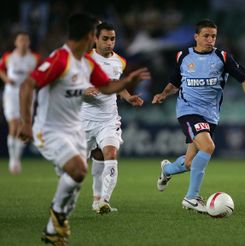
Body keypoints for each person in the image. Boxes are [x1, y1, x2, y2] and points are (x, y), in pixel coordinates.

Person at [18, 13, 150, 246]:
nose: (109, 42)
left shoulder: (87, 63)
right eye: (100, 35)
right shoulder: (61, 59)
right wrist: (26, 122)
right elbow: (28, 85)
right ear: (91, 36)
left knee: (77, 175)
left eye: (112, 38)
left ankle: (57, 225)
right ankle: (58, 219)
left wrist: (127, 84)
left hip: (80, 127)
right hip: (51, 128)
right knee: (75, 172)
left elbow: (108, 87)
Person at [152, 19, 245, 214]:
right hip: (188, 111)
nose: (210, 39)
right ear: (196, 37)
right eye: (206, 36)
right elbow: (174, 83)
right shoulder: (183, 56)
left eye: (213, 36)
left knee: (189, 163)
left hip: (210, 115)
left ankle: (166, 170)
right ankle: (191, 198)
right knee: (209, 147)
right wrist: (163, 94)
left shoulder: (222, 57)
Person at [80, 22, 144, 215]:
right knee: (78, 168)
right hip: (83, 120)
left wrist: (127, 96)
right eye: (105, 39)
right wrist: (82, 91)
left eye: (113, 39)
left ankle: (102, 201)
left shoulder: (120, 61)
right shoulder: (83, 60)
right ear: (95, 39)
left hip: (108, 119)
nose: (109, 43)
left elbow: (116, 84)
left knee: (109, 154)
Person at [0, 31, 40, 174]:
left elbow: (40, 75)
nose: (23, 42)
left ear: (28, 42)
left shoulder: (35, 58)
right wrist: (6, 80)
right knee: (14, 124)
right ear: (16, 42)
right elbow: (1, 70)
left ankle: (17, 158)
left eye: (25, 40)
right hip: (11, 94)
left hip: (27, 95)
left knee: (22, 126)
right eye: (20, 40)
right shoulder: (8, 57)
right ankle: (13, 159)